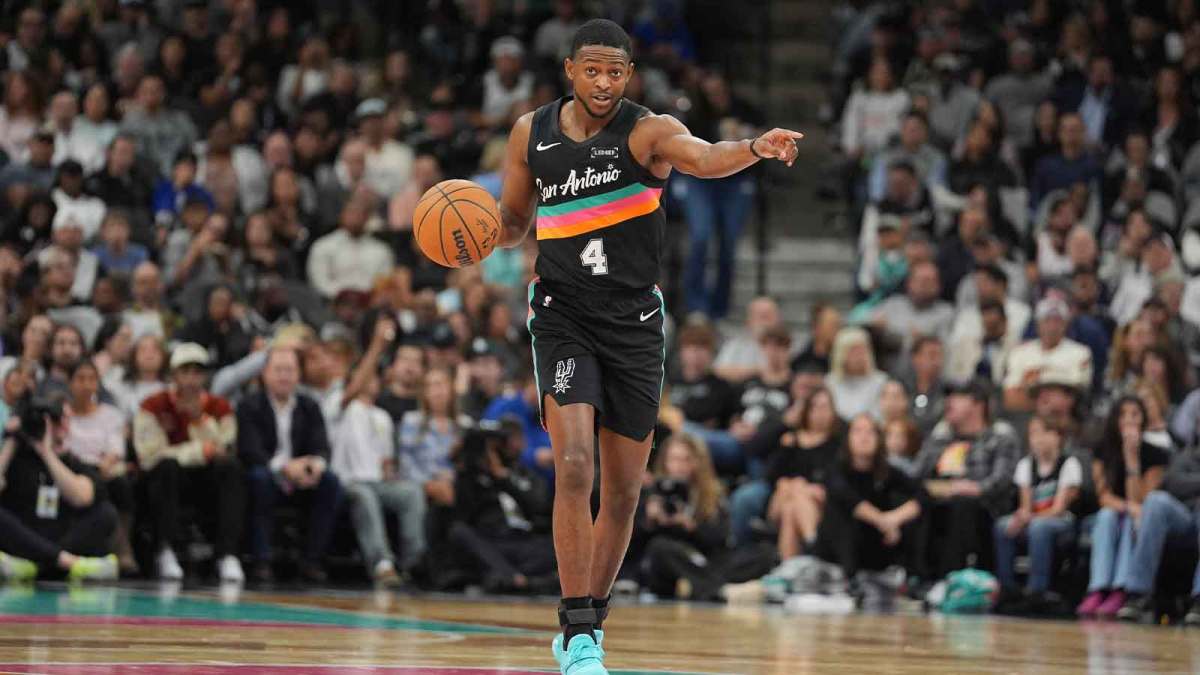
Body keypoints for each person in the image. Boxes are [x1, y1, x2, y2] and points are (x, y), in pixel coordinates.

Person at [494, 19, 803, 672]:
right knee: (574, 464)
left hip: (634, 323)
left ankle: (590, 625)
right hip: (562, 314)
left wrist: (754, 144)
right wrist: (476, 232)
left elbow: (707, 156)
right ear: (571, 69)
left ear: (629, 76)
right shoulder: (531, 132)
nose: (604, 82)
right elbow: (514, 223)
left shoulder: (649, 130)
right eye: (593, 69)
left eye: (617, 71)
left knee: (626, 491)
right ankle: (577, 631)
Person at [134, 342, 243, 582]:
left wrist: (199, 420)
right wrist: (197, 451)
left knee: (230, 468)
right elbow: (149, 456)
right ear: (174, 375)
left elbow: (224, 448)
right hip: (168, 480)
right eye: (185, 372)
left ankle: (227, 555)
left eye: (197, 372)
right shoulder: (152, 406)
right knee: (167, 468)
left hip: (205, 481)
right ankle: (166, 550)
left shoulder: (219, 407)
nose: (192, 380)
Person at [331, 322, 427, 588]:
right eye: (366, 376)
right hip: (348, 481)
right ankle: (381, 563)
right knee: (364, 495)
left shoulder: (382, 416)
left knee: (411, 492)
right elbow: (351, 390)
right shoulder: (340, 406)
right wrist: (377, 346)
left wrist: (390, 475)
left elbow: (386, 462)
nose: (371, 381)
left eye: (375, 376)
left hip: (378, 482)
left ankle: (414, 562)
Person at [237, 348, 343, 584]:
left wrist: (314, 465)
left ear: (298, 375)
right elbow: (250, 450)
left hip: (301, 477)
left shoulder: (309, 405)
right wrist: (285, 467)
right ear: (265, 373)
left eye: (290, 370)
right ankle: (262, 560)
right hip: (267, 474)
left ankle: (312, 561)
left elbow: (321, 447)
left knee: (330, 482)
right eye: (278, 370)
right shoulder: (249, 405)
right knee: (259, 478)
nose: (284, 376)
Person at [0, 398, 119, 582]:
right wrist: (11, 440)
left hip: (59, 536)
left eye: (65, 418)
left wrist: (46, 452)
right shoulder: (17, 460)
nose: (61, 424)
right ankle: (66, 563)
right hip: (23, 534)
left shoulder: (74, 462)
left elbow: (82, 497)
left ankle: (35, 565)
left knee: (106, 513)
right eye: (56, 419)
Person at [912, 379, 1019, 582]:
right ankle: (918, 578)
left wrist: (976, 488)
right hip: (940, 498)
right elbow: (917, 474)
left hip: (984, 506)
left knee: (962, 504)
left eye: (958, 397)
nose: (949, 402)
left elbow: (1003, 479)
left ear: (978, 405)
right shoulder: (941, 435)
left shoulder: (1000, 436)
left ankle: (950, 579)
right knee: (915, 502)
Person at [1076, 396, 1169, 618]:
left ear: (1143, 420)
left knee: (1130, 521)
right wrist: (1128, 507)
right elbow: (1104, 497)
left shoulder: (1157, 455)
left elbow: (1143, 500)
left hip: (1138, 517)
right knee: (1108, 515)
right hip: (1109, 514)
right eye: (1123, 414)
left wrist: (1132, 459)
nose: (1128, 420)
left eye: (1135, 414)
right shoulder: (1102, 450)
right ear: (1114, 419)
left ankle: (1121, 589)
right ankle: (1098, 589)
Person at [449, 420, 556, 594]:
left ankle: (507, 579)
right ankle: (515, 578)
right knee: (459, 532)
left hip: (522, 541)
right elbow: (464, 515)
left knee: (559, 546)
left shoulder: (523, 474)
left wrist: (503, 478)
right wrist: (468, 470)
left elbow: (539, 508)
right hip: (489, 543)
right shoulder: (469, 478)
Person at [818, 414, 922, 584]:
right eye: (858, 431)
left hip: (876, 544)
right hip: (839, 548)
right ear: (848, 438)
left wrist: (895, 518)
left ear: (879, 439)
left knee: (911, 507)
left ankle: (916, 576)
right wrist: (883, 522)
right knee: (837, 509)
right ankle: (848, 577)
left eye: (870, 432)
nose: (864, 437)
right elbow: (848, 498)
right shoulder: (836, 469)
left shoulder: (887, 471)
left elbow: (922, 494)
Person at [992, 416, 1082, 601]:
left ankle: (1037, 589)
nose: (1038, 438)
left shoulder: (1069, 464)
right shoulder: (1026, 465)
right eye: (1033, 433)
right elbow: (1026, 505)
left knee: (1039, 527)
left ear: (1057, 437)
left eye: (1044, 432)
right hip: (1034, 519)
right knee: (1003, 526)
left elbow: (1058, 508)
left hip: (1062, 521)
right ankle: (1007, 588)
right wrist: (1021, 517)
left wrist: (1029, 518)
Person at [635, 433, 730, 602]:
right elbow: (634, 544)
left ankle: (703, 583)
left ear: (698, 462)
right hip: (663, 563)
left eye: (686, 460)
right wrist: (649, 520)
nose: (679, 466)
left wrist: (690, 526)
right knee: (660, 547)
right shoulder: (653, 491)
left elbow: (719, 538)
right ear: (665, 461)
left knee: (763, 553)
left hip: (699, 555)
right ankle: (716, 587)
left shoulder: (711, 493)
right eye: (674, 459)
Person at [62, 360, 136, 576]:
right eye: (80, 379)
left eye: (92, 379)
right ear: (70, 383)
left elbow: (115, 450)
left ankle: (123, 547)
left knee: (120, 484)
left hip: (103, 469)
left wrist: (104, 464)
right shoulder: (63, 412)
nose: (86, 385)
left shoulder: (110, 414)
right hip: (72, 471)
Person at [1113, 446, 1200, 625]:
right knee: (1155, 500)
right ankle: (1138, 595)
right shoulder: (1187, 454)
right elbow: (1173, 481)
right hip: (1183, 516)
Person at [764, 387, 843, 560]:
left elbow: (835, 480)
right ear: (807, 410)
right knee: (792, 492)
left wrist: (802, 488)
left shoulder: (839, 444)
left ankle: (789, 566)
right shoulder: (791, 441)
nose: (820, 413)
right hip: (780, 499)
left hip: (820, 501)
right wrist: (793, 485)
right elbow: (770, 478)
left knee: (792, 508)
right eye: (815, 407)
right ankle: (815, 545)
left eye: (825, 407)